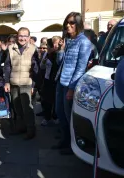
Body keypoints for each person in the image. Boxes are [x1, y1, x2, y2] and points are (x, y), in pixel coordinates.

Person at [54, 12, 91, 155]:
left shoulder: (84, 42)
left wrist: (71, 88)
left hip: (70, 84)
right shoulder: (68, 40)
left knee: (70, 116)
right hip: (60, 81)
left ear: (79, 24)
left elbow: (81, 67)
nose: (68, 25)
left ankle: (73, 145)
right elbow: (59, 62)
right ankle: (65, 139)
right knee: (60, 113)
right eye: (66, 23)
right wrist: (61, 50)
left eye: (71, 23)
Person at [4, 27, 38, 140]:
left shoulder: (33, 49)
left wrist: (33, 85)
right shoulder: (10, 48)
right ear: (17, 36)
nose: (22, 38)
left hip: (26, 83)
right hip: (14, 83)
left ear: (28, 37)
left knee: (27, 109)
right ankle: (21, 128)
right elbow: (7, 66)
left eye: (25, 36)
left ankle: (31, 130)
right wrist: (7, 82)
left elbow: (35, 69)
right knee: (17, 108)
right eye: (20, 36)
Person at [39, 36, 61, 126]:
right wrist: (45, 57)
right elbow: (42, 66)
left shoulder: (60, 53)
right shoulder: (46, 54)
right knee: (45, 100)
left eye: (48, 46)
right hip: (47, 79)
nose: (47, 47)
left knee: (55, 100)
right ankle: (47, 117)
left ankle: (55, 116)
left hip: (56, 80)